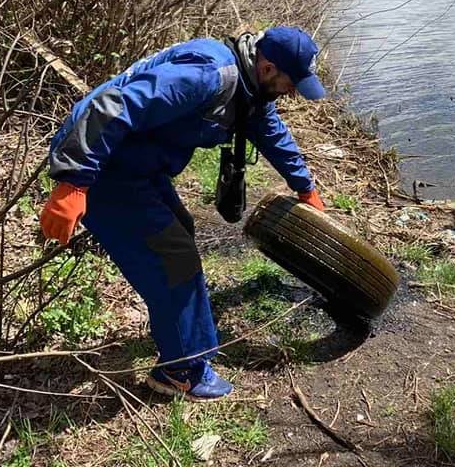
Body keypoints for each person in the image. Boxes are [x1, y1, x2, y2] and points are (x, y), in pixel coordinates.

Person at [38, 26, 327, 401]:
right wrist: (73, 183)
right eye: (292, 82)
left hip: (134, 164)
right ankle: (179, 371)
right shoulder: (208, 74)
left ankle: (178, 330)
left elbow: (270, 130)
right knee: (173, 257)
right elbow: (112, 106)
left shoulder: (251, 85)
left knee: (179, 233)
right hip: (102, 165)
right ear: (269, 67)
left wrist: (305, 187)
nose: (293, 93)